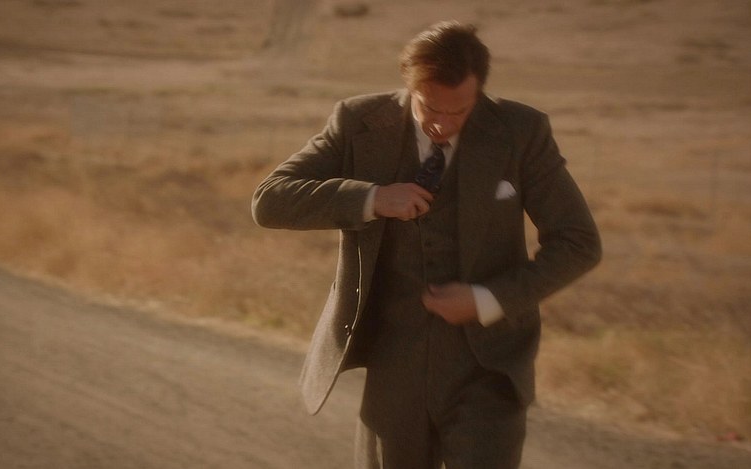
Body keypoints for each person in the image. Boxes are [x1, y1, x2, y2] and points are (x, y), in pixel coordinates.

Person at [252, 21, 601, 469]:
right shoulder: (359, 121)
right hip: (393, 366)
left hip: (488, 369)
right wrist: (372, 198)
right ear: (409, 84)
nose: (442, 123)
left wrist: (487, 299)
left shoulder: (521, 130)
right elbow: (270, 200)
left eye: (460, 111)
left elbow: (579, 242)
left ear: (479, 91)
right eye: (429, 106)